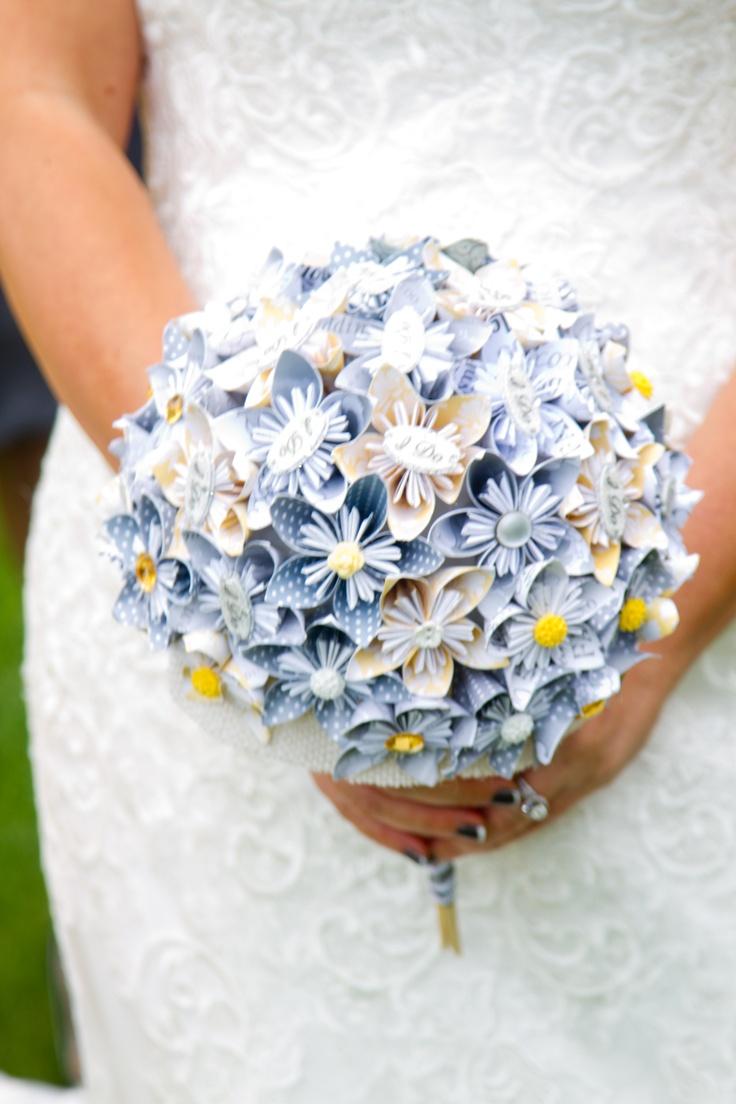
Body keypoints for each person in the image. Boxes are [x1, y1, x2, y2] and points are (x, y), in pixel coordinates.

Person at [1, 1, 735, 1100]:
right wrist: (228, 555)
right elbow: (31, 93)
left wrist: (652, 612)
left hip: (682, 555)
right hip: (206, 560)